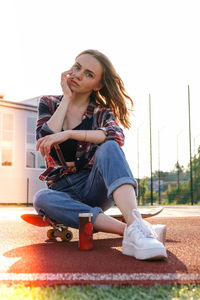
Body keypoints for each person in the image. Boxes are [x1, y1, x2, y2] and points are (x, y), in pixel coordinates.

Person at [34, 49, 167, 260]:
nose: (78, 74)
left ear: (98, 85)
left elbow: (116, 135)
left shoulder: (101, 113)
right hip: (62, 190)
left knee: (110, 146)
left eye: (88, 74)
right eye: (77, 67)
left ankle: (134, 222)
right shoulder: (48, 103)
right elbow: (45, 141)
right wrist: (67, 99)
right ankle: (134, 231)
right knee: (41, 198)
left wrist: (69, 133)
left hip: (94, 187)